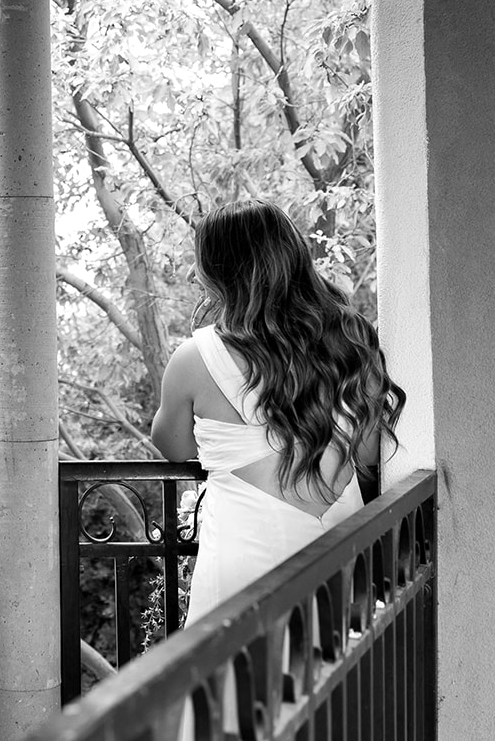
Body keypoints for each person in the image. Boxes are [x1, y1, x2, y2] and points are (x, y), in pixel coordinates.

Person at [151, 200, 405, 646]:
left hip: (243, 554)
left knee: (236, 696)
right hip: (341, 542)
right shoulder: (352, 338)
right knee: (336, 692)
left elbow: (174, 448)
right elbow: (367, 454)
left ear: (220, 269)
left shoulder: (194, 359)